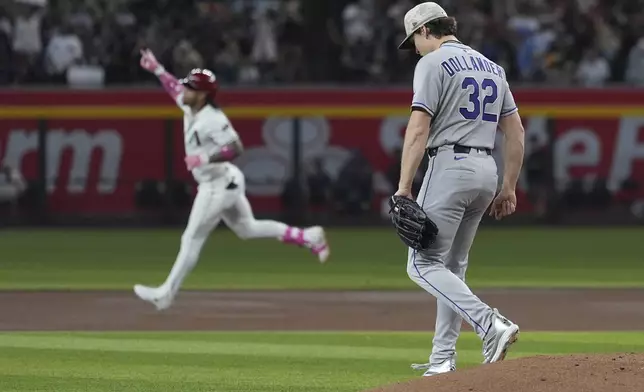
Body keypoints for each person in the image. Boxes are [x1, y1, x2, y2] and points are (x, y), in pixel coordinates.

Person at [133, 49, 330, 310]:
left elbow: (235, 147)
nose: (184, 91)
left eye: (190, 88)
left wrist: (204, 159)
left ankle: (166, 293)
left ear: (202, 94)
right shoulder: (190, 104)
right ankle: (308, 236)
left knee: (191, 239)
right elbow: (173, 88)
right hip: (227, 181)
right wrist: (157, 69)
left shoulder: (213, 119)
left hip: (216, 186)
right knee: (247, 228)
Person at [395, 3, 525, 375]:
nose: (414, 50)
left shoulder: (432, 63)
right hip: (486, 170)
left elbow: (419, 129)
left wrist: (404, 187)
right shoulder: (493, 68)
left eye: (414, 41)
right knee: (452, 267)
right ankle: (442, 359)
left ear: (424, 31)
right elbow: (515, 132)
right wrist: (509, 187)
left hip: (450, 166)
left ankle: (491, 324)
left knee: (421, 265)